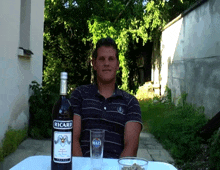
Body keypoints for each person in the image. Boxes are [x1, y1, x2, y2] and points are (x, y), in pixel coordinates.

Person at [70, 37, 142, 159]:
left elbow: (131, 148)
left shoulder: (131, 102)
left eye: (111, 59)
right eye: (102, 59)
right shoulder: (79, 95)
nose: (106, 63)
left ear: (118, 64)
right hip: (83, 166)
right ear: (94, 64)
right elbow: (72, 139)